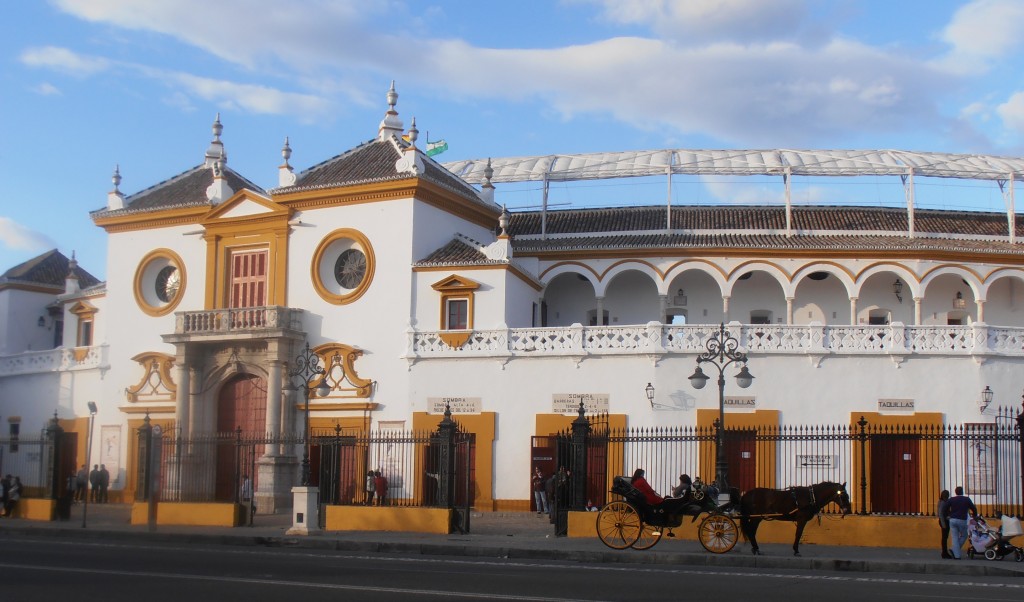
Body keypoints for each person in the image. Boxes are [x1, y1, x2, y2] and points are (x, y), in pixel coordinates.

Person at [946, 485, 977, 559]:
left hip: (953, 519)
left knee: (954, 537)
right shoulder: (966, 499)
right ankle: (955, 553)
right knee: (964, 535)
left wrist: (949, 514)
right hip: (962, 520)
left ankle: (955, 552)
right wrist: (974, 516)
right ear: (962, 492)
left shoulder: (952, 499)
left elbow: (945, 508)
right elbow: (973, 508)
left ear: (955, 492)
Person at [937, 489, 952, 559]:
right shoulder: (943, 502)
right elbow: (941, 513)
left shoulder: (941, 502)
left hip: (943, 521)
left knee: (944, 537)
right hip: (944, 522)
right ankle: (944, 552)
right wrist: (943, 524)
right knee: (944, 537)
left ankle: (944, 552)